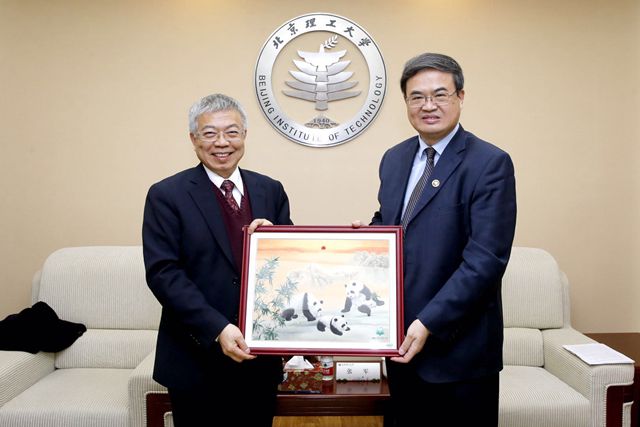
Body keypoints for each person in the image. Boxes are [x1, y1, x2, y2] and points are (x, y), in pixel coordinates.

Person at [367, 53, 517, 426]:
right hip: (402, 347)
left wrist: (428, 322)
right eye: (416, 97)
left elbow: (485, 261)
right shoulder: (394, 158)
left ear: (460, 97)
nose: (428, 105)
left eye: (439, 95)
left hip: (460, 353)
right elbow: (393, 223)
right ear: (406, 102)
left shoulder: (489, 163)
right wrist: (366, 238)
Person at [142, 93, 292, 426]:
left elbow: (288, 267)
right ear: (193, 139)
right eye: (210, 133)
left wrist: (278, 242)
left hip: (258, 360)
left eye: (231, 132)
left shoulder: (270, 190)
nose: (222, 142)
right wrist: (217, 328)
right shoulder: (166, 195)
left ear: (244, 135)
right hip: (195, 359)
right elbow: (164, 274)